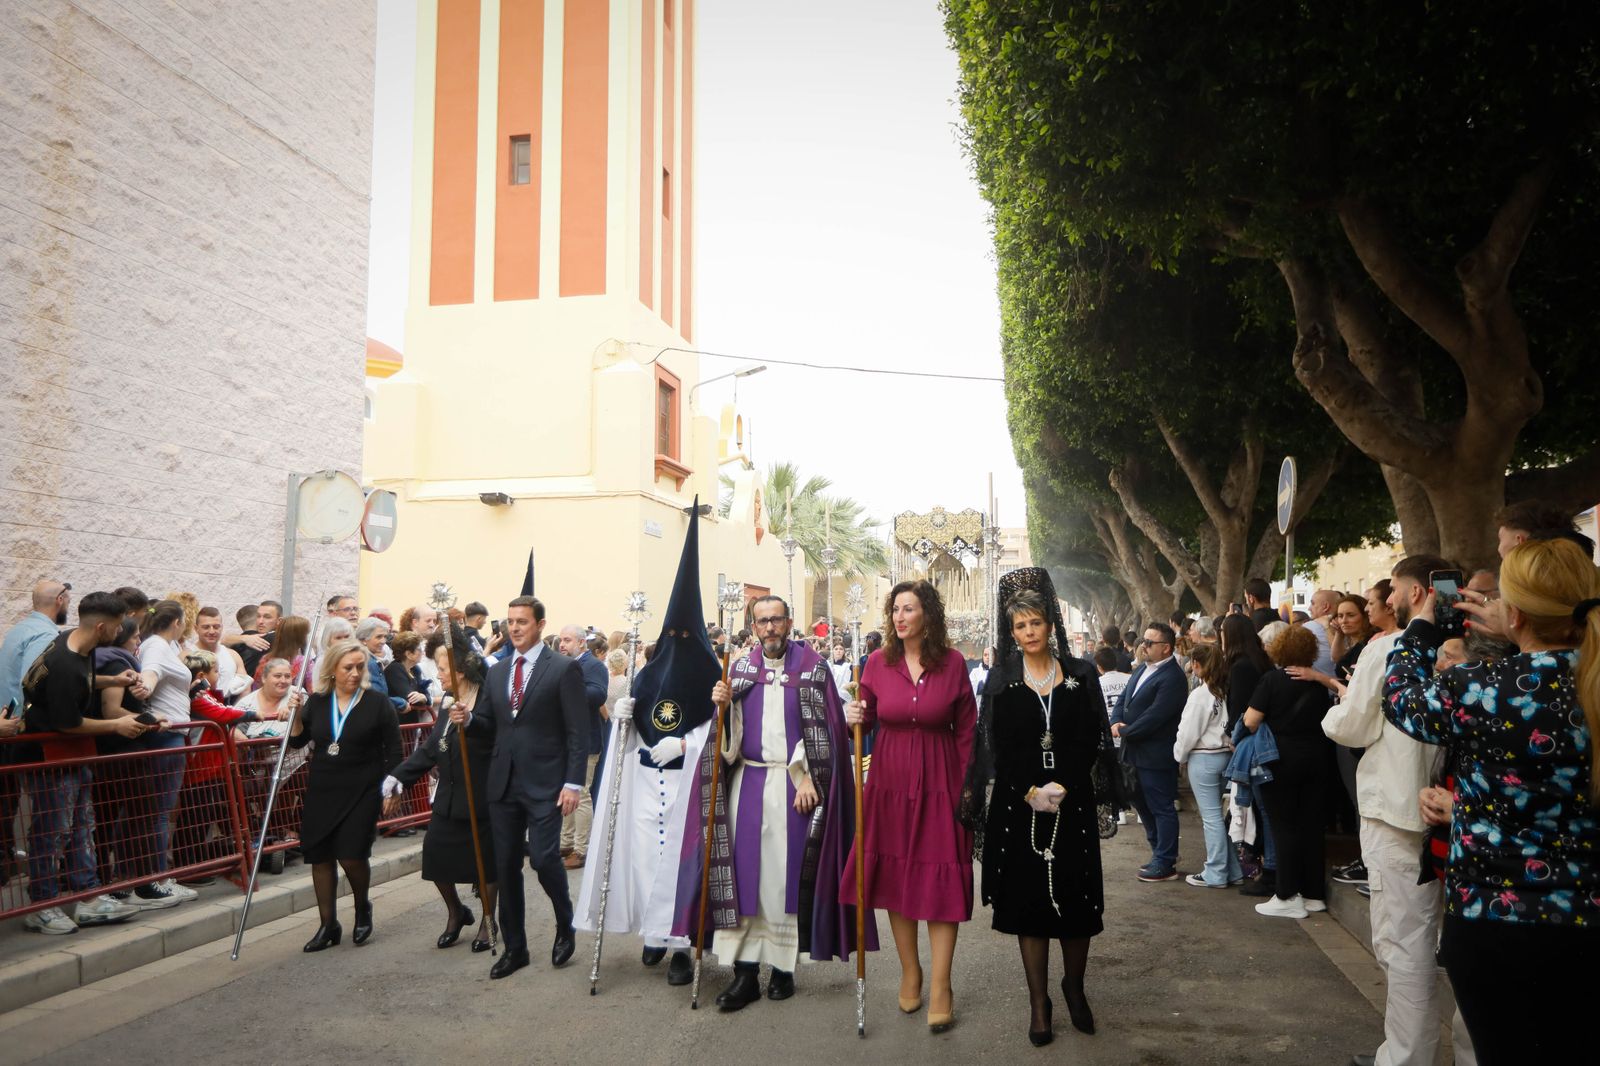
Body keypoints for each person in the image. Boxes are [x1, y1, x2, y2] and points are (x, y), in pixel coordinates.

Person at [1381, 538, 1598, 1062]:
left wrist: (1420, 629)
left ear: (1517, 613)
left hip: (1494, 916)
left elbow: (1400, 698)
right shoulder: (1581, 679)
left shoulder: (1483, 685)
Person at [672, 594, 870, 1011]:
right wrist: (722, 709)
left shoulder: (813, 670)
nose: (769, 629)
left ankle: (783, 969)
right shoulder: (740, 670)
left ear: (789, 622)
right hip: (748, 781)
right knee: (744, 879)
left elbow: (828, 729)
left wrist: (807, 777)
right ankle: (744, 974)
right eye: (761, 622)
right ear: (754, 626)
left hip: (792, 788)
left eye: (776, 620)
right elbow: (727, 747)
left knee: (783, 880)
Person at [961, 572, 1107, 1046]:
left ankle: (1075, 987)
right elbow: (997, 750)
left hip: (1073, 801)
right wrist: (1029, 791)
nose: (1029, 632)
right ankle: (1039, 1003)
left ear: (1050, 625)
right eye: (1020, 625)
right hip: (1020, 806)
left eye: (1036, 622)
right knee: (1030, 907)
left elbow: (1092, 739)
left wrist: (1065, 783)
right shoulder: (1001, 683)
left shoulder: (1082, 675)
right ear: (1012, 632)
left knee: (1076, 899)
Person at [1323, 556, 1450, 1066]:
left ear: (1416, 592)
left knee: (1404, 943)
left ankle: (1406, 1058)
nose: (1389, 598)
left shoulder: (1390, 650)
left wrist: (1335, 706)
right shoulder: (1481, 648)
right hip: (1456, 810)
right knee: (1450, 946)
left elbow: (1353, 724)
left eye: (1394, 589)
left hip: (1401, 808)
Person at [843, 579, 974, 1032]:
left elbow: (967, 732)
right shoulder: (877, 663)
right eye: (895, 609)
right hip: (890, 780)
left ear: (927, 616)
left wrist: (966, 792)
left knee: (940, 879)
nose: (900, 617)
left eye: (909, 609)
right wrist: (853, 717)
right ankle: (910, 971)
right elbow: (866, 716)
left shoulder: (954, 664)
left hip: (942, 780)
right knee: (897, 877)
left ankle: (941, 984)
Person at [18, 591, 148, 934]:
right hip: (51, 758)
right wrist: (116, 724)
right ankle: (41, 904)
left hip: (75, 755)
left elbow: (81, 681)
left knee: (81, 827)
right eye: (118, 627)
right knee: (52, 831)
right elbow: (68, 722)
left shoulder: (77, 646)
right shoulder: (64, 661)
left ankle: (88, 897)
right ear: (102, 626)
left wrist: (112, 680)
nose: (119, 633)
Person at [480, 596, 588, 980]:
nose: (514, 628)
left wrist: (573, 782)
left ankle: (565, 922)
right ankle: (516, 948)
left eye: (522, 621)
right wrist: (461, 717)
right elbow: (486, 723)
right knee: (506, 867)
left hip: (547, 782)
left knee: (543, 860)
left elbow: (578, 730)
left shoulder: (562, 669)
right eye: (510, 621)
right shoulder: (496, 672)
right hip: (503, 782)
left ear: (540, 624)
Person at [384, 627, 497, 951]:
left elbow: (492, 734)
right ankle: (456, 913)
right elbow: (433, 747)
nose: (439, 675)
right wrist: (398, 777)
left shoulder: (488, 695)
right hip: (448, 795)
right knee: (434, 857)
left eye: (443, 669)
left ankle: (489, 922)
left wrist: (472, 720)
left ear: (461, 669)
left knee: (486, 864)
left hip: (481, 794)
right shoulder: (448, 700)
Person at [288, 638, 402, 951]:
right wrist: (296, 713)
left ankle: (363, 906)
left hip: (363, 788)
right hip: (323, 787)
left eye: (359, 667)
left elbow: (394, 750)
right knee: (320, 856)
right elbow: (298, 742)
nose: (354, 673)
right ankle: (328, 924)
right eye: (347, 667)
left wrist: (394, 787)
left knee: (352, 854)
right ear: (332, 669)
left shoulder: (378, 703)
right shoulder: (318, 702)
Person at [1240, 625, 1334, 919]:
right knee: (1311, 827)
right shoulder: (1319, 684)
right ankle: (1313, 894)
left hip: (1280, 760)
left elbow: (1251, 720)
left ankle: (1286, 894)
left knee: (1283, 827)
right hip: (1318, 759)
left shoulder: (1271, 681)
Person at [1110, 622, 1187, 881]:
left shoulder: (1173, 677)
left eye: (1150, 642)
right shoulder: (1143, 668)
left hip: (1156, 754)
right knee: (1141, 804)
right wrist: (1115, 721)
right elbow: (1124, 700)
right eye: (1144, 640)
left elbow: (1157, 716)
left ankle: (1166, 862)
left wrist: (1125, 731)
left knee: (1161, 807)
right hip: (1134, 753)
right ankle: (1158, 853)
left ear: (1166, 648)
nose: (1144, 645)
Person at [137, 600, 198, 900]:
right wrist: (145, 688)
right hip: (165, 736)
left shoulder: (167, 646)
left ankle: (155, 876)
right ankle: (156, 879)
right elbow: (150, 674)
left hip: (173, 735)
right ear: (176, 622)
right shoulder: (156, 647)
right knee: (159, 812)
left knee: (159, 812)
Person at [1174, 644, 1243, 889]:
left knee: (1211, 817)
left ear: (1196, 664)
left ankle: (1215, 871)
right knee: (1218, 817)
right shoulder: (1226, 691)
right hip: (1225, 755)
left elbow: (1188, 731)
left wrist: (1179, 755)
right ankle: (1231, 870)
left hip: (1204, 757)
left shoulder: (1201, 695)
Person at [556, 625, 608, 871]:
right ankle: (565, 843)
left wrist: (566, 691)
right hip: (565, 741)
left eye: (567, 640)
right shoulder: (561, 665)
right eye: (560, 640)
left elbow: (597, 695)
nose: (562, 645)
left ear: (581, 643)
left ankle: (582, 849)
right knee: (566, 792)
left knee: (582, 793)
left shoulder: (594, 665)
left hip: (586, 740)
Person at [1, 579, 71, 715]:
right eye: (69, 603)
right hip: (18, 724)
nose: (68, 609)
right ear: (60, 600)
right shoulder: (45, 634)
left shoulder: (20, 628)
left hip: (7, 715)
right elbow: (32, 684)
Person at [194, 607, 248, 700]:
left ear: (222, 627)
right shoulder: (188, 655)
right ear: (196, 628)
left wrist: (239, 710)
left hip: (229, 709)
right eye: (206, 627)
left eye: (216, 627)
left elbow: (245, 687)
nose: (211, 631)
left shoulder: (233, 655)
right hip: (197, 709)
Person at [383, 632, 431, 725]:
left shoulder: (415, 669)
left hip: (411, 724)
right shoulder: (394, 670)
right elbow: (411, 698)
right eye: (419, 649)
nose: (423, 652)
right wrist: (423, 698)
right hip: (398, 725)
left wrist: (424, 697)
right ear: (409, 654)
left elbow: (426, 695)